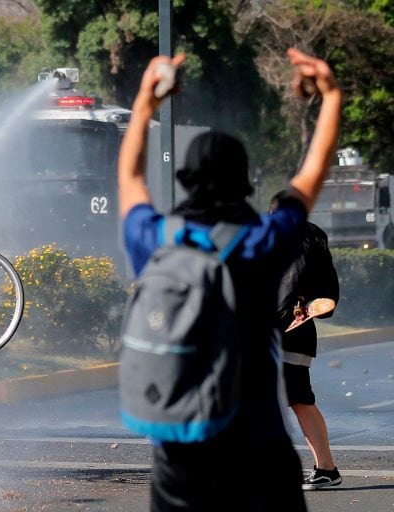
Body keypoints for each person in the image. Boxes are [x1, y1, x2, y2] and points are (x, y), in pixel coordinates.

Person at [117, 48, 341, 511]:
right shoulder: (263, 243)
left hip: (180, 459)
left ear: (186, 180)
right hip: (258, 450)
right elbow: (310, 176)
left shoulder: (155, 241)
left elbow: (130, 176)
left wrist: (145, 102)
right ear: (244, 182)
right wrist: (331, 96)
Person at [270, 190, 342, 490]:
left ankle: (324, 468)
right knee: (299, 400)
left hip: (284, 334)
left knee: (293, 400)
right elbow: (329, 295)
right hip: (296, 333)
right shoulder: (314, 242)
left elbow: (286, 288)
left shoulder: (292, 242)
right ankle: (326, 469)